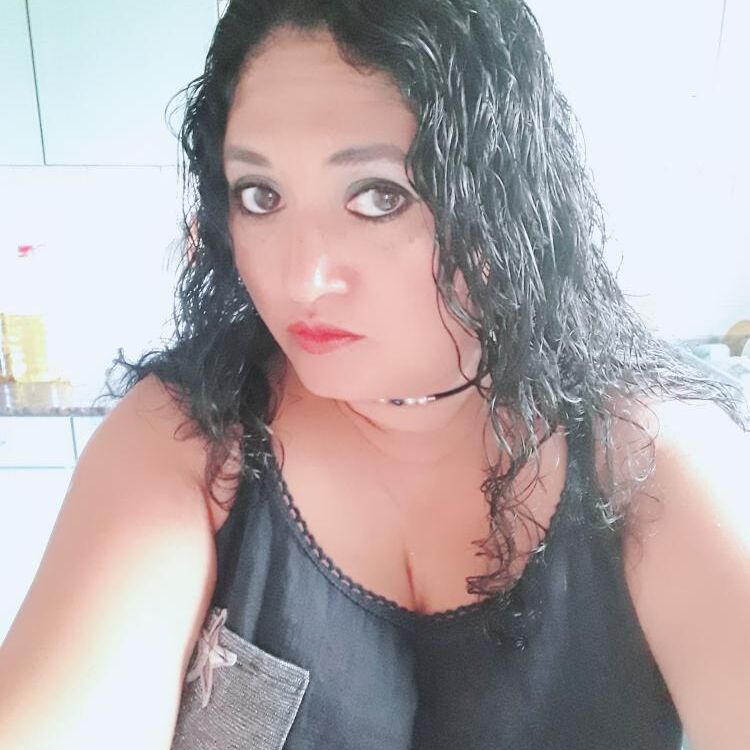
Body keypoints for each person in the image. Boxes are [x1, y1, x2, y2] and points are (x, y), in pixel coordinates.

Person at [1, 1, 748, 748]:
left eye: (379, 196)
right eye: (260, 195)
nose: (302, 278)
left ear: (500, 197)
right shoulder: (184, 439)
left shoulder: (648, 455)